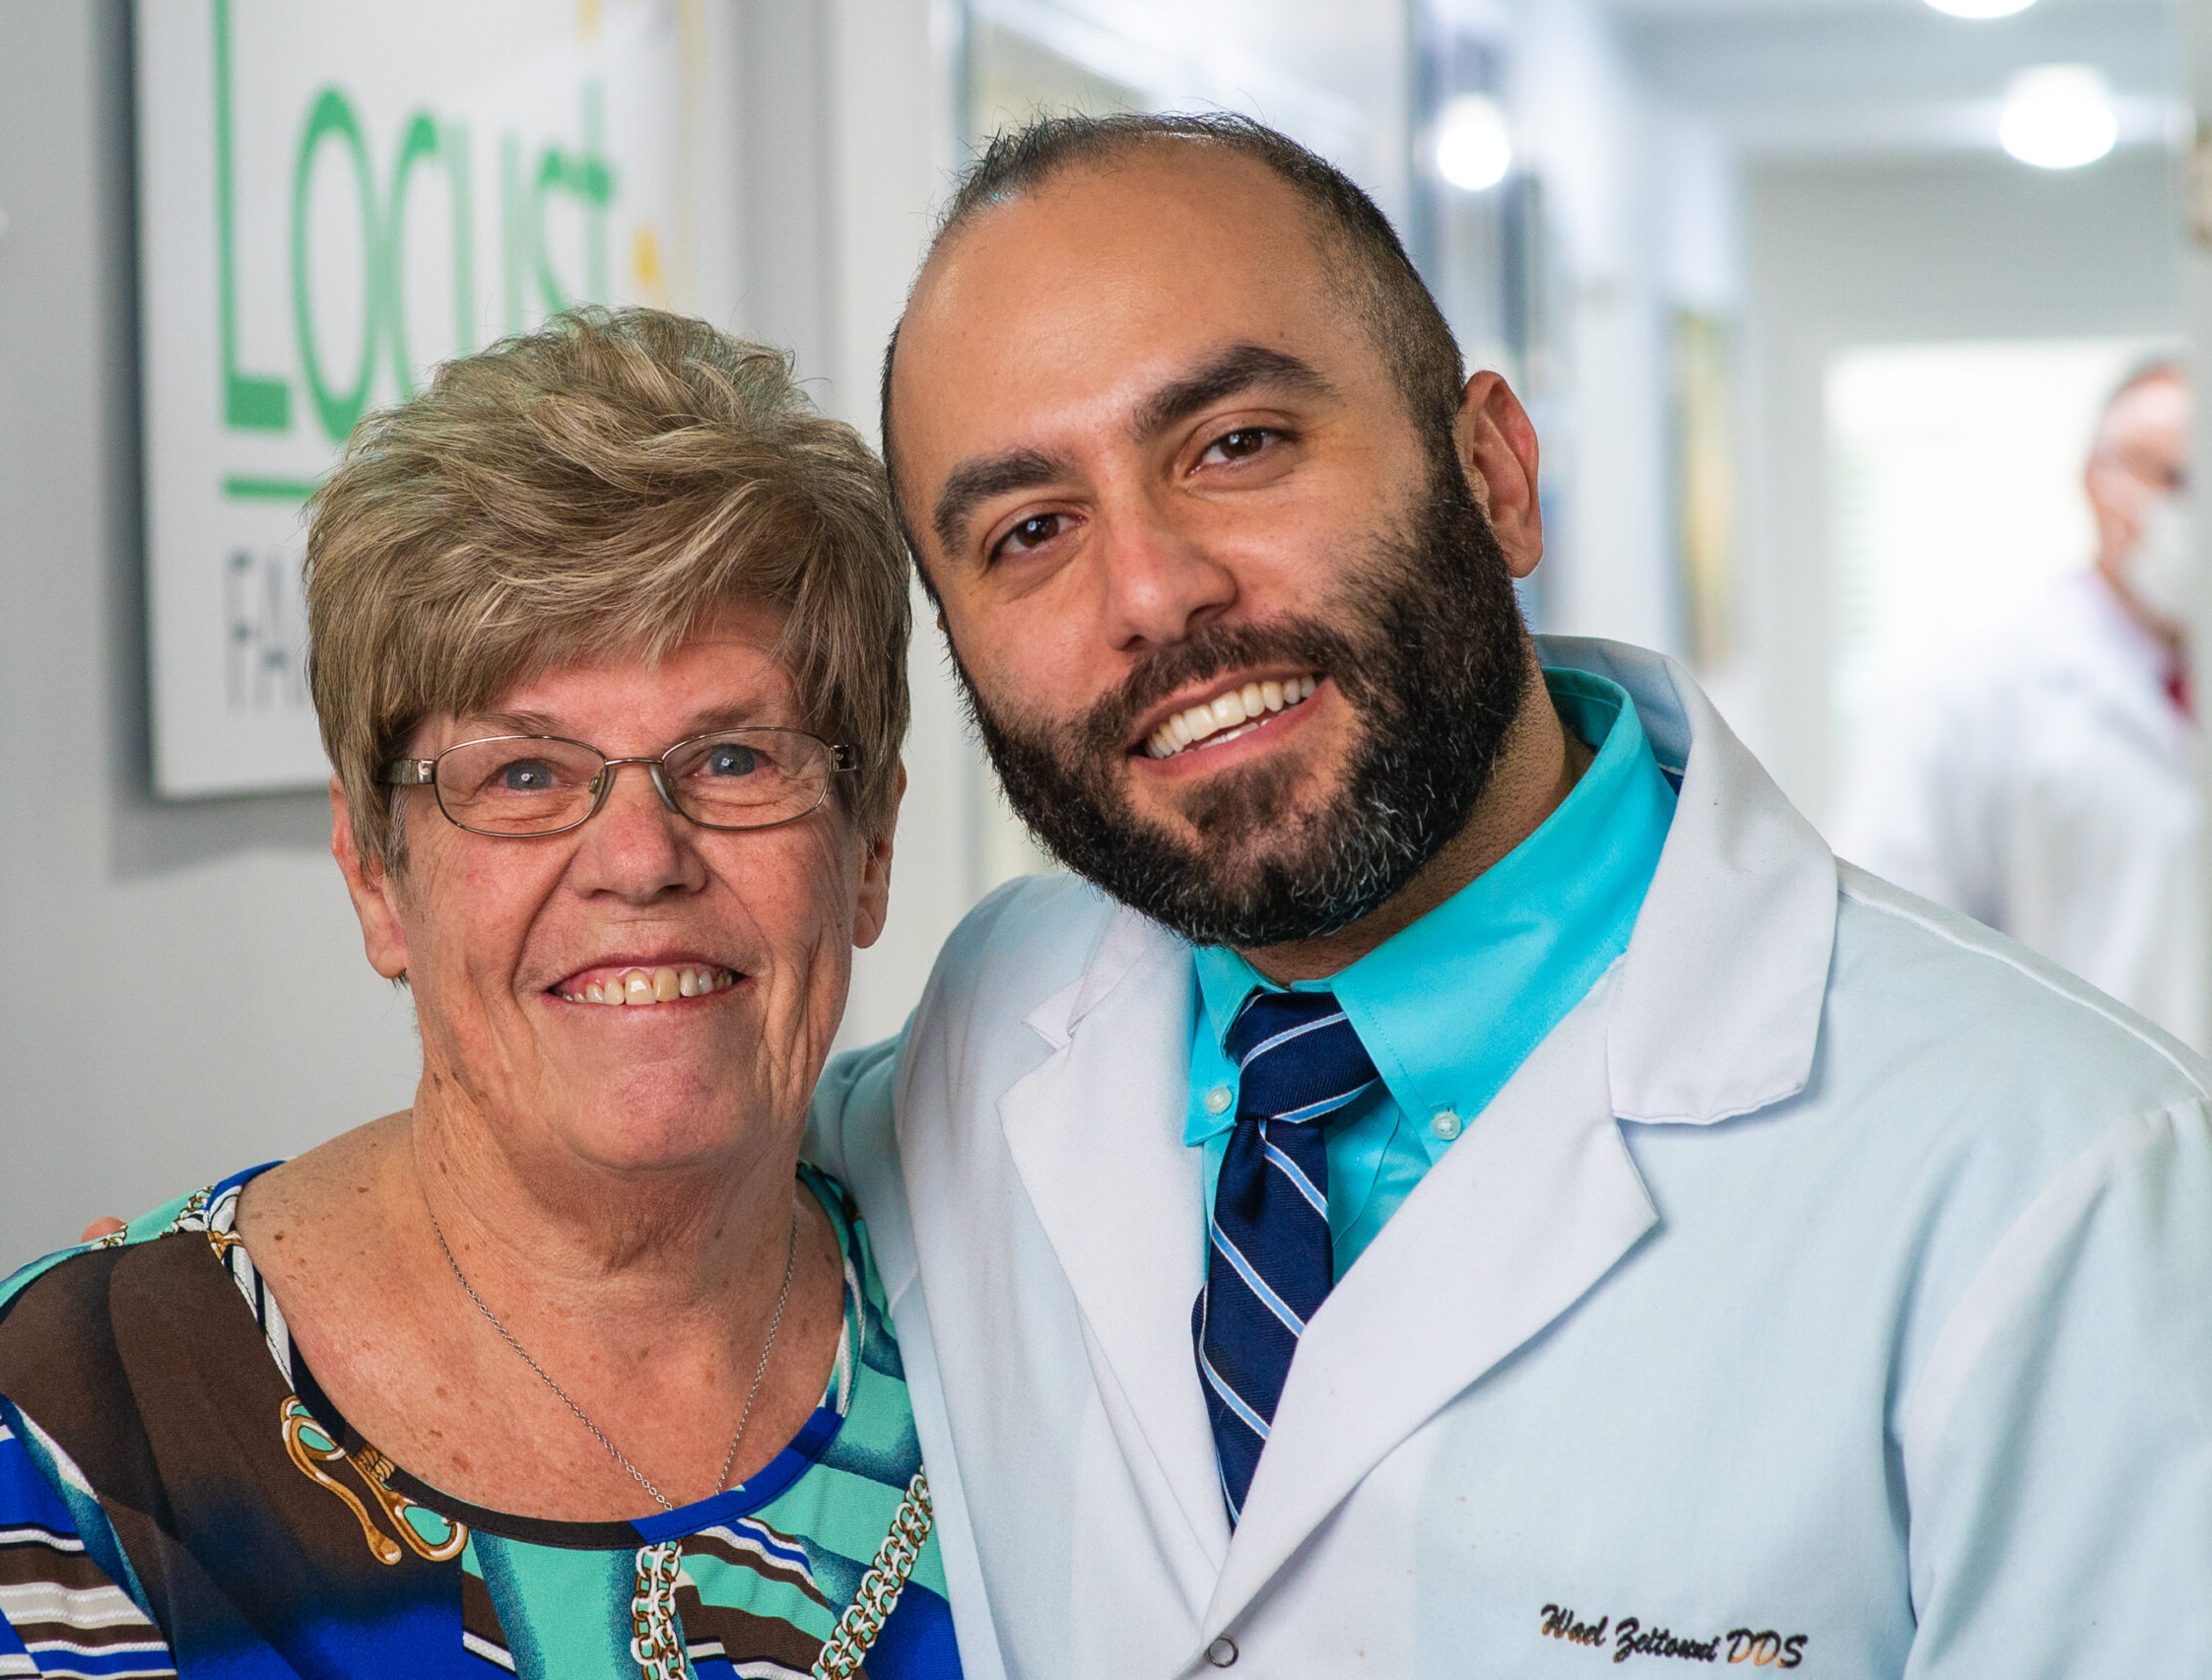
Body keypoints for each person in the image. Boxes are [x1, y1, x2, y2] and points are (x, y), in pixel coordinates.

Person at [808, 115, 2212, 1677]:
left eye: (1236, 445)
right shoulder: (991, 1028)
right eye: (1030, 533)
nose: (1152, 594)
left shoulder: (2065, 1178)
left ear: (1494, 473)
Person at [0, 310, 967, 1679]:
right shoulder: (77, 1452)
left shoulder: (1004, 1339)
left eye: (737, 759)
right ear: (375, 878)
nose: (640, 858)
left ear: (867, 847)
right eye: (522, 772)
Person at [1837, 361, 2201, 1048]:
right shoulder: (1961, 696)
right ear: (2099, 483)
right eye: (2179, 479)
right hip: (2078, 1124)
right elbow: (1887, 957)